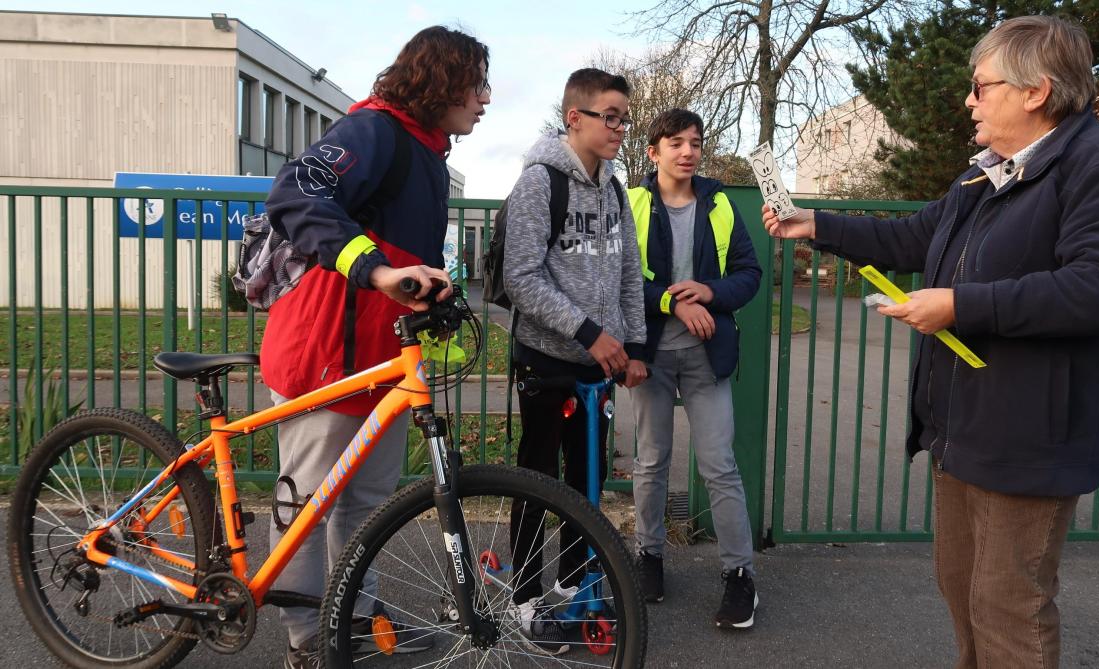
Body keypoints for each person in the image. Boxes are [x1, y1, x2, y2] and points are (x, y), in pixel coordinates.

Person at [764, 15, 1099, 668]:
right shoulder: (986, 173)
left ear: (1034, 90)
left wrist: (960, 305)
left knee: (1008, 607)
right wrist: (817, 224)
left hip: (1029, 433)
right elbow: (915, 237)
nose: (968, 100)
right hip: (963, 425)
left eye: (979, 86)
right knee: (963, 589)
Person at [258, 26, 490, 669]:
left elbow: (401, 246)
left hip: (383, 358)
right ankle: (307, 641)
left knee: (363, 501)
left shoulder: (428, 151)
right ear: (440, 81)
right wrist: (378, 271)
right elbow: (296, 193)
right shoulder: (376, 131)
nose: (485, 99)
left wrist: (423, 291)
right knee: (306, 502)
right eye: (476, 85)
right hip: (325, 349)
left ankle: (354, 618)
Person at [502, 67, 649, 654]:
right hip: (548, 358)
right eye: (609, 116)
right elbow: (521, 278)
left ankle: (569, 584)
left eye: (623, 118)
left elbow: (629, 272)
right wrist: (590, 333)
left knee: (585, 481)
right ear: (575, 118)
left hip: (601, 362)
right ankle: (523, 597)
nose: (619, 128)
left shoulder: (614, 186)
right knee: (537, 479)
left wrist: (632, 345)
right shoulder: (540, 182)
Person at [626, 109, 762, 628]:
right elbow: (616, 279)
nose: (687, 152)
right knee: (651, 461)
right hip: (651, 353)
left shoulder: (720, 203)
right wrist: (672, 303)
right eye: (675, 142)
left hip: (707, 356)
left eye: (696, 143)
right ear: (653, 151)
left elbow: (749, 274)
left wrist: (710, 291)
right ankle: (649, 558)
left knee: (718, 465)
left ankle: (739, 577)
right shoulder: (632, 201)